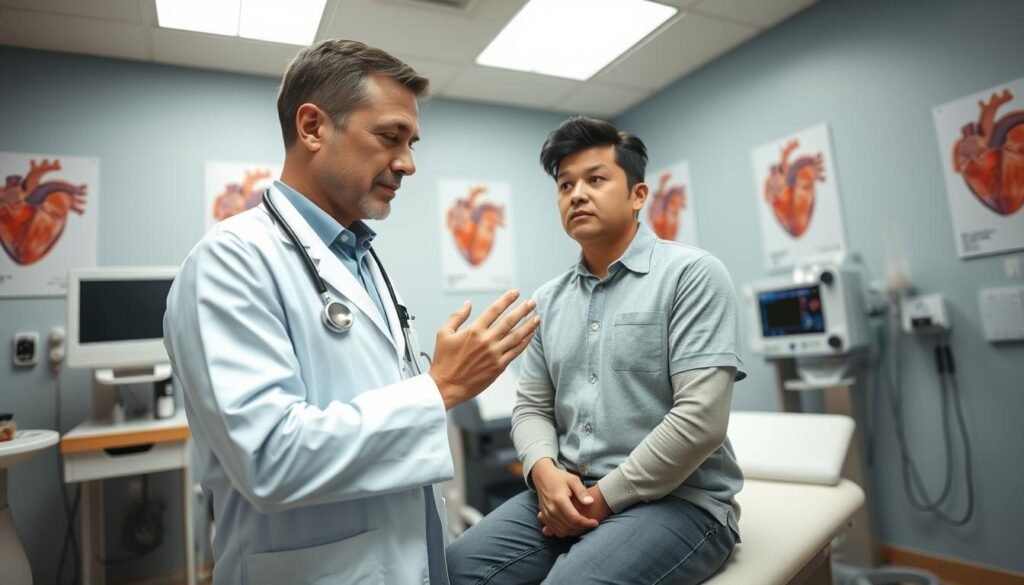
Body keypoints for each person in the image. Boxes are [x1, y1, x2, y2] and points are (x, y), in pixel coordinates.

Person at [164, 39, 539, 585]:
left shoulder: (361, 259)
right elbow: (268, 458)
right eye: (390, 137)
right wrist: (440, 389)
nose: (408, 163)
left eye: (412, 142)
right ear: (313, 127)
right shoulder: (229, 262)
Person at [446, 117, 746, 585]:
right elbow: (531, 407)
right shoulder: (548, 300)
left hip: (682, 501)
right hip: (569, 489)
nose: (576, 194)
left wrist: (602, 498)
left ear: (637, 196)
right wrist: (543, 472)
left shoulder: (692, 275)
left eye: (596, 179)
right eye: (565, 185)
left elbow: (701, 419)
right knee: (455, 568)